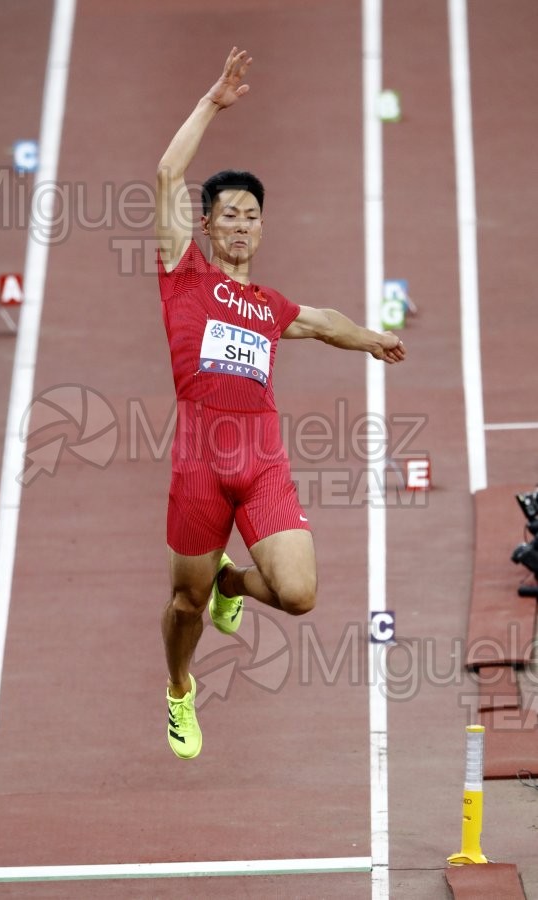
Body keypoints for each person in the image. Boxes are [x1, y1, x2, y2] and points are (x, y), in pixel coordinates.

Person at [156, 47, 406, 759]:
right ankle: (179, 689)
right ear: (206, 226)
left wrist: (372, 339)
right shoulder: (183, 275)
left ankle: (234, 582)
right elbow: (168, 174)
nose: (241, 225)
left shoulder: (269, 305)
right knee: (185, 604)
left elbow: (323, 321)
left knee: (298, 594)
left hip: (262, 462)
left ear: (262, 229)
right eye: (229, 215)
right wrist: (211, 102)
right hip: (199, 465)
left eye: (252, 216)